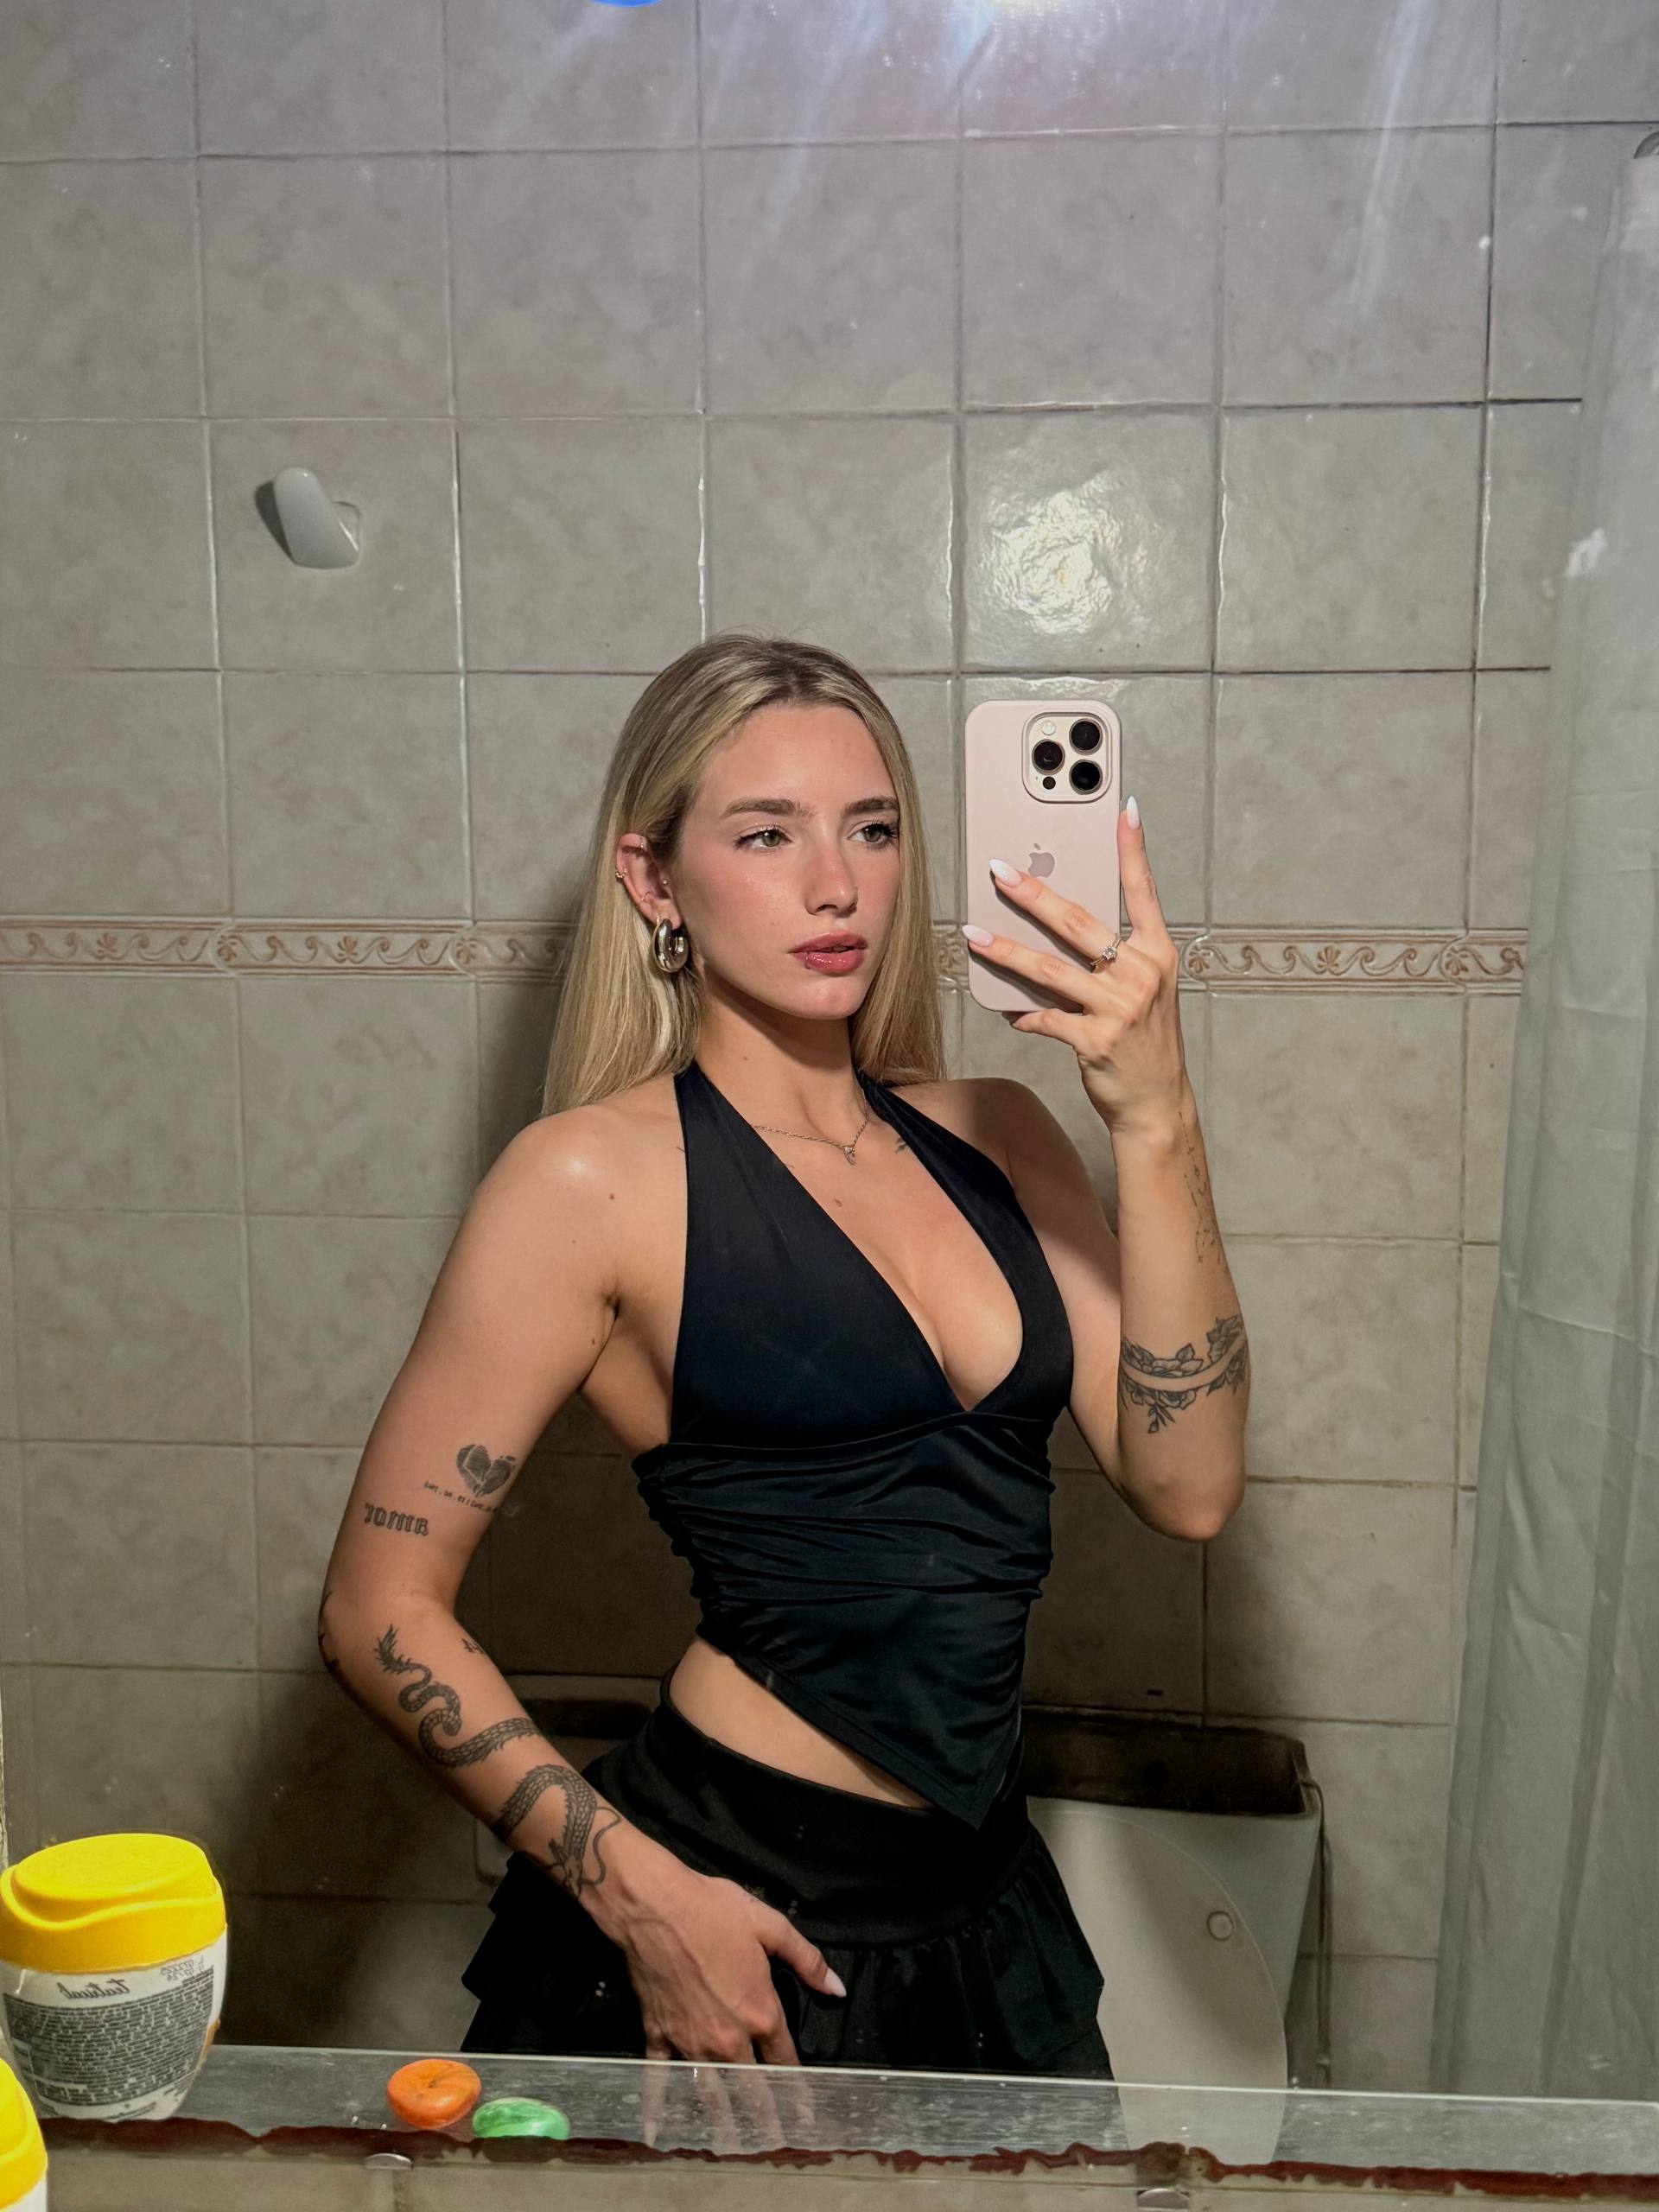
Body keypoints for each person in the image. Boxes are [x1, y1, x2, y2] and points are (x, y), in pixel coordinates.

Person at [318, 632, 1249, 2079]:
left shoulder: (1002, 1134)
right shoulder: (586, 1183)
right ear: (653, 878)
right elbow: (378, 1606)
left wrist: (1154, 1112)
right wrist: (637, 1893)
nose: (837, 885)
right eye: (767, 834)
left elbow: (1189, 1487)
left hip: (985, 1899)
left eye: (872, 830)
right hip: (727, 1901)